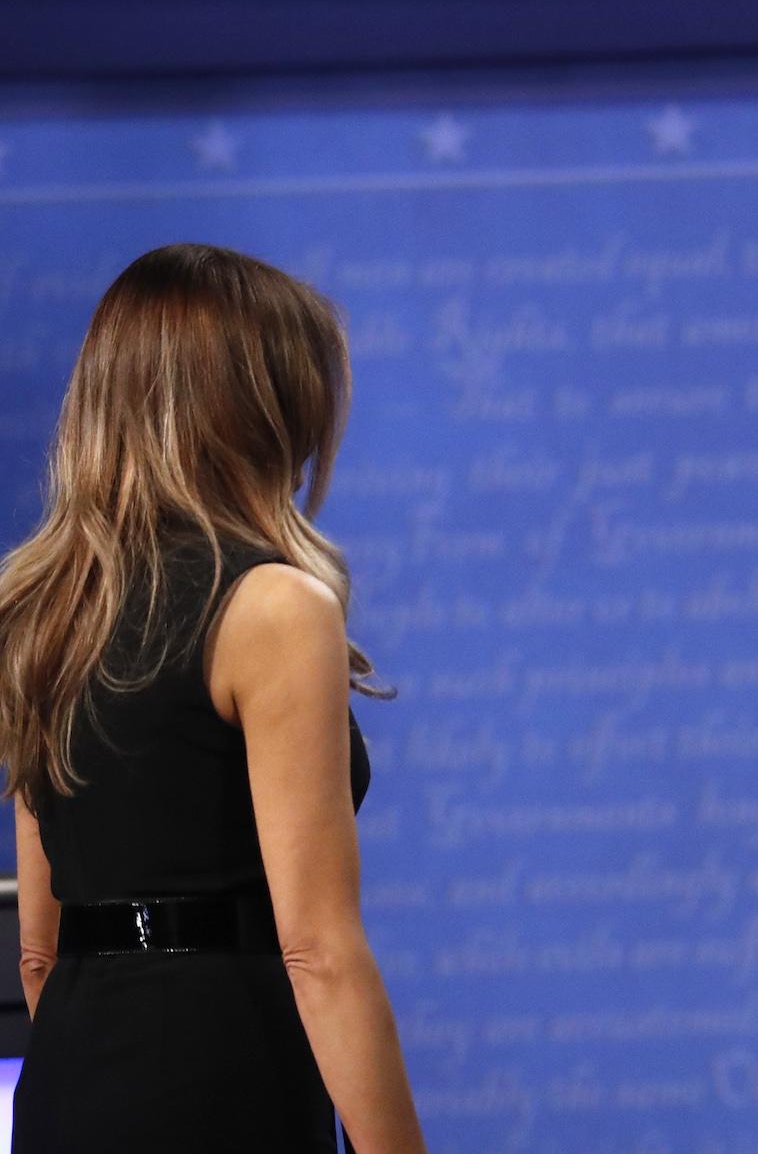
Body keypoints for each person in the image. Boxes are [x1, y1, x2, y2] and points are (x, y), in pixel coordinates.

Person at [0, 244, 427, 1152]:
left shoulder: (37, 611)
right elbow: (319, 952)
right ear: (256, 408)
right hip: (224, 1080)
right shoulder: (274, 604)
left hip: (66, 1086)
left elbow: (37, 949)